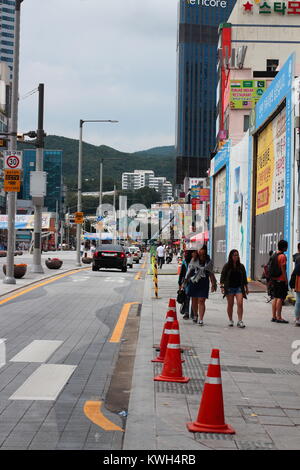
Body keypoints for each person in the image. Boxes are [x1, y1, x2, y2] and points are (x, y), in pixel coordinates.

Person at [184, 248, 217, 326]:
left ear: (205, 252)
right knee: (194, 300)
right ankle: (195, 315)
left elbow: (211, 273)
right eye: (200, 252)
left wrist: (213, 284)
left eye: (203, 252)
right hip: (194, 282)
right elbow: (189, 271)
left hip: (204, 282)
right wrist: (185, 281)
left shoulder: (208, 261)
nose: (201, 254)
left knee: (201, 300)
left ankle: (201, 319)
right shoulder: (194, 259)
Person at [220, 249, 249, 328]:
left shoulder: (241, 266)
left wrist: (246, 288)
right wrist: (222, 287)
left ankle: (240, 321)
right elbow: (222, 277)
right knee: (230, 304)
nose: (236, 256)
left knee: (240, 303)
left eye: (237, 255)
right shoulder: (227, 266)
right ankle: (230, 320)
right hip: (229, 288)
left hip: (239, 287)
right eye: (234, 255)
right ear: (231, 256)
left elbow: (245, 278)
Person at [270, 239, 289, 323]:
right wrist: (286, 280)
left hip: (274, 279)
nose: (287, 248)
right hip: (281, 279)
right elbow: (283, 269)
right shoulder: (282, 256)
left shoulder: (274, 254)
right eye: (286, 246)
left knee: (275, 297)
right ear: (284, 247)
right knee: (280, 298)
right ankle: (279, 317)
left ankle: (274, 316)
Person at [178, 250, 194, 320]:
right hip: (186, 282)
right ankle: (187, 313)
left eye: (186, 253)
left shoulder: (195, 262)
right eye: (185, 253)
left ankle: (193, 313)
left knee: (193, 298)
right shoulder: (184, 262)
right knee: (187, 298)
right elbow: (181, 274)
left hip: (193, 282)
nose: (185, 255)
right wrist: (180, 284)